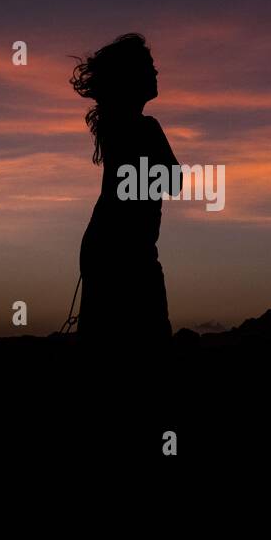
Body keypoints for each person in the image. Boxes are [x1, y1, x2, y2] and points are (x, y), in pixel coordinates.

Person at [70, 33, 178, 348]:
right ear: (131, 77)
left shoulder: (115, 126)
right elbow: (173, 182)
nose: (156, 72)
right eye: (149, 66)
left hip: (107, 247)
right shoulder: (144, 128)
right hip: (128, 253)